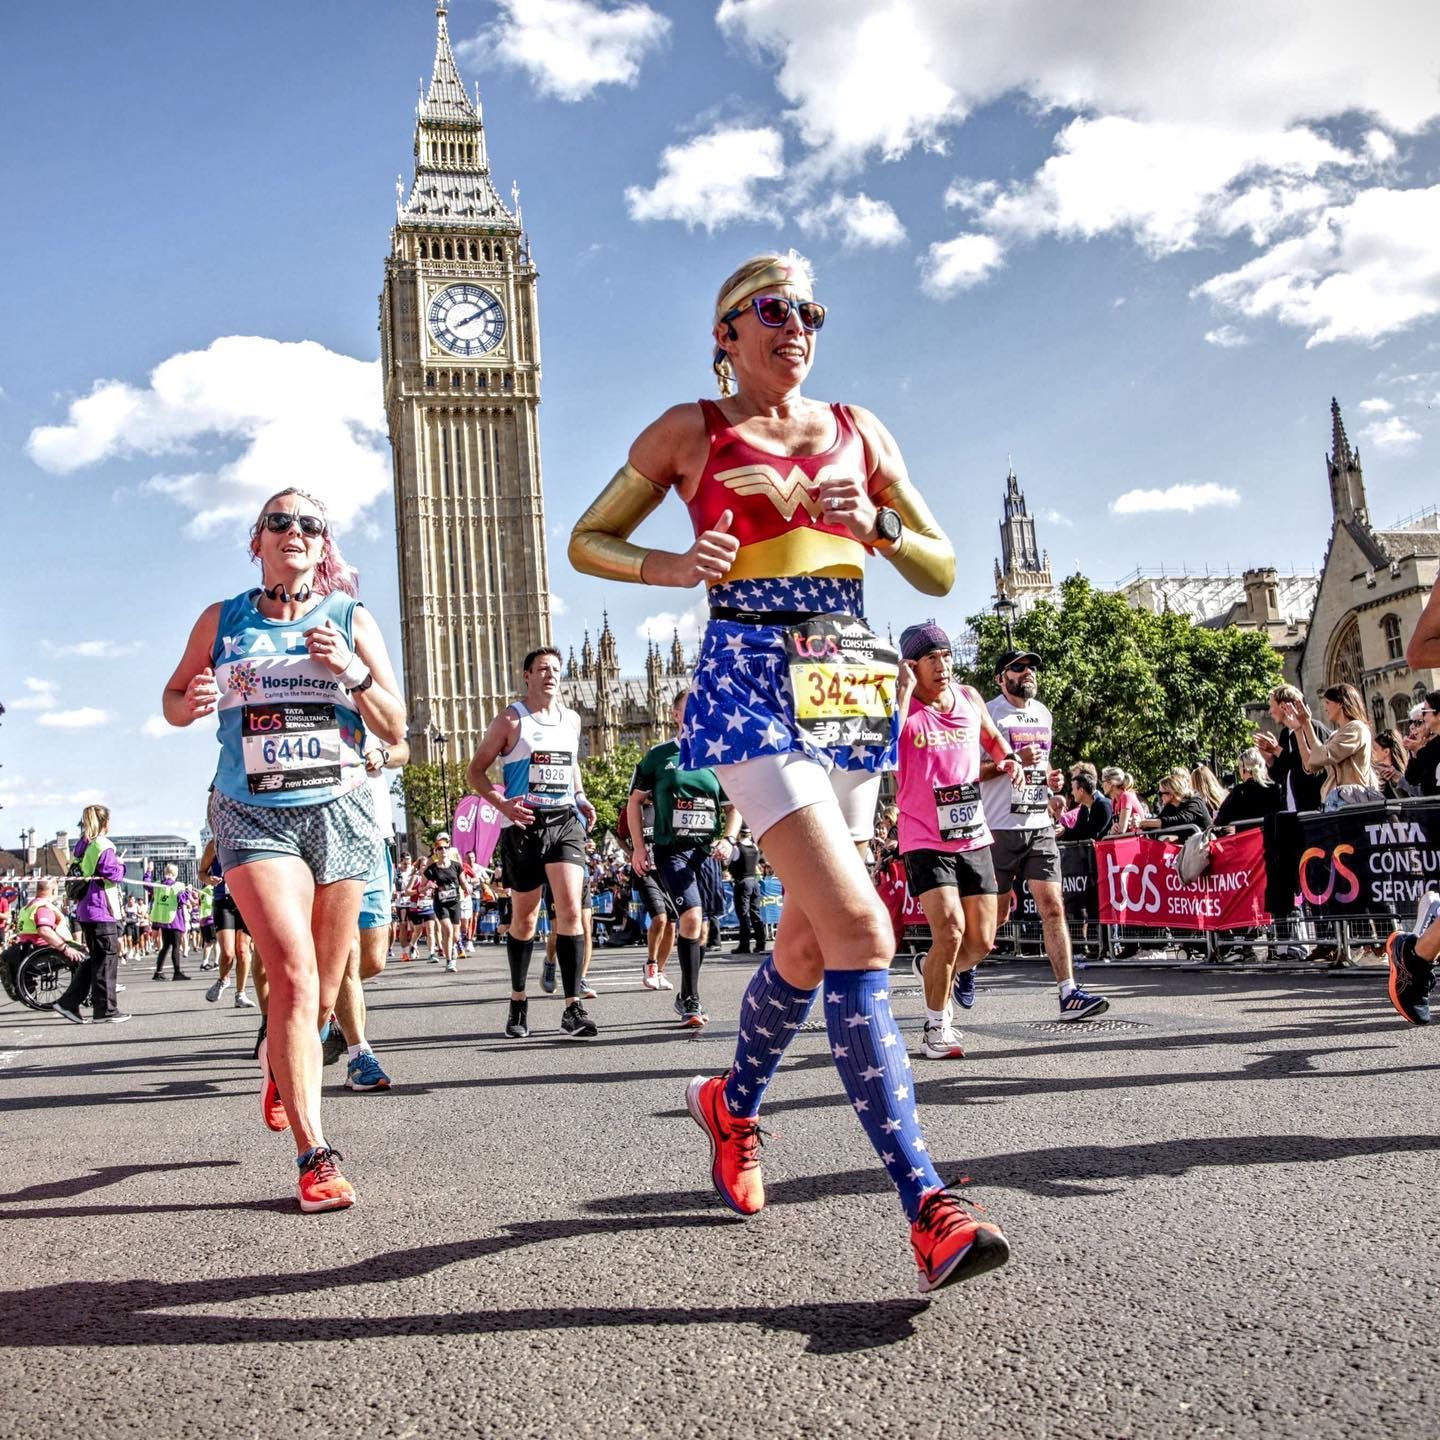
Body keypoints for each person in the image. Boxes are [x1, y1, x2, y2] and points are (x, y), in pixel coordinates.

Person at [569, 249, 1008, 1293]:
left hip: (851, 674)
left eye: (809, 308)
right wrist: (670, 566)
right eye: (771, 310)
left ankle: (731, 1104)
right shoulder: (693, 430)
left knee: (812, 938)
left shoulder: (862, 428)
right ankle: (927, 1202)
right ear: (726, 333)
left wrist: (882, 528)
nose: (796, 324)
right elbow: (590, 538)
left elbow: (943, 564)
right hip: (748, 676)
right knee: (863, 928)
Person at [163, 486, 405, 1213]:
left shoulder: (349, 618)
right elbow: (173, 700)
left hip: (338, 812)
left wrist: (355, 675)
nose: (294, 530)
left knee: (324, 996)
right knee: (294, 980)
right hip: (251, 814)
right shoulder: (222, 618)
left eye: (309, 524)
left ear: (322, 546)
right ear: (257, 540)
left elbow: (396, 727)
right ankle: (316, 1154)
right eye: (279, 521)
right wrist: (194, 699)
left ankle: (282, 1065)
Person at [894, 622, 1020, 1059]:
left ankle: (931, 969)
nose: (943, 665)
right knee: (948, 930)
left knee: (982, 941)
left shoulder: (968, 697)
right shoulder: (904, 707)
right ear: (912, 665)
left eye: (946, 656)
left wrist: (1008, 761)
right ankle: (936, 1028)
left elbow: (992, 738)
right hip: (923, 835)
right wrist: (901, 694)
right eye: (931, 658)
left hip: (971, 834)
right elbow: (879, 750)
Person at [465, 647, 599, 1040]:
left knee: (571, 910)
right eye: (542, 669)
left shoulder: (571, 719)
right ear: (527, 675)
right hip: (523, 823)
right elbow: (476, 772)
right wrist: (501, 802)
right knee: (524, 920)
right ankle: (518, 999)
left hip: (564, 822)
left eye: (556, 669)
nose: (550, 675)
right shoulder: (510, 719)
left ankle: (573, 1007)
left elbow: (571, 765)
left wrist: (580, 796)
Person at [979, 650, 1110, 1021]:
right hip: (999, 826)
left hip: (1037, 824)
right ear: (1001, 678)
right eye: (1018, 668)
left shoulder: (1043, 714)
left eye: (1031, 667)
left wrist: (1051, 784)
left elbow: (1043, 764)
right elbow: (972, 770)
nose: (1027, 673)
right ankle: (955, 967)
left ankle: (1068, 992)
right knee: (997, 918)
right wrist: (1010, 760)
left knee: (1053, 907)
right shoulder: (987, 714)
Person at [629, 691, 741, 1028]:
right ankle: (691, 1000)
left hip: (705, 852)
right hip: (671, 849)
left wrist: (729, 838)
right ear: (675, 715)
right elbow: (634, 802)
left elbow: (733, 806)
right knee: (690, 917)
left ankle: (685, 992)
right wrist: (638, 847)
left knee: (702, 927)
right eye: (689, 710)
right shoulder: (658, 756)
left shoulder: (718, 756)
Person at [332, 737, 409, 1091]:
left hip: (376, 840)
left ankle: (326, 998)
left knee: (374, 960)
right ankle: (359, 1054)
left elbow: (402, 747)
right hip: (334, 837)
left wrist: (382, 754)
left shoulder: (367, 695)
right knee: (345, 952)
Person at [52, 805, 131, 1025]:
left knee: (96, 958)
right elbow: (111, 873)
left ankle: (69, 1002)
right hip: (101, 907)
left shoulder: (82, 845)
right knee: (107, 958)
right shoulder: (102, 844)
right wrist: (121, 866)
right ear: (106, 823)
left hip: (86, 907)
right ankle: (105, 1010)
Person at [1278, 683, 1378, 808]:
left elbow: (1324, 755)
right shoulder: (1335, 734)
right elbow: (1310, 764)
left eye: (1328, 703)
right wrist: (1299, 729)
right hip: (1335, 801)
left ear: (1341, 703)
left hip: (1352, 801)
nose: (1325, 708)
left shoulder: (1356, 728)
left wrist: (1307, 724)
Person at [1254, 685, 1327, 812]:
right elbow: (1282, 775)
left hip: (1313, 808)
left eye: (1272, 706)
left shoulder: (1312, 728)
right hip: (1292, 807)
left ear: (1283, 706)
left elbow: (1311, 768)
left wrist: (1277, 750)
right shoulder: (1285, 734)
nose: (1270, 711)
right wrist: (1269, 759)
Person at [1212, 748, 1285, 828]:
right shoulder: (1277, 788)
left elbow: (1220, 820)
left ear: (1244, 768)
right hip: (1271, 838)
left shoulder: (1239, 791)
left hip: (1247, 839)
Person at [424, 832, 463, 972]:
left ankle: (451, 948)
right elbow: (422, 887)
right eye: (440, 848)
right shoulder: (432, 868)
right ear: (436, 851)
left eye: (446, 847)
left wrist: (468, 887)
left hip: (455, 902)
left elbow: (463, 881)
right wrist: (428, 886)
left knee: (456, 935)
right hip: (440, 903)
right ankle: (449, 962)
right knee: (448, 929)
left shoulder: (456, 865)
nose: (443, 850)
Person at [148, 864, 193, 982]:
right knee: (176, 947)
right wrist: (188, 891)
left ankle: (158, 972)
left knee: (165, 947)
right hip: (175, 919)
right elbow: (182, 899)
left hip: (163, 919)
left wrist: (148, 872)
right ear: (175, 874)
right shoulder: (178, 886)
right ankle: (177, 972)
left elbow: (147, 885)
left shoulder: (159, 884)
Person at [728, 824, 766, 956]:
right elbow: (757, 862)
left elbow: (728, 863)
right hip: (754, 881)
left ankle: (744, 945)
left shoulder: (737, 848)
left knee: (743, 915)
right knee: (756, 913)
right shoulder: (755, 847)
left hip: (742, 882)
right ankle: (761, 944)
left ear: (739, 833)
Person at [1140, 768, 1213, 835]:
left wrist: (1147, 823)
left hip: (1207, 845)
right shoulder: (1170, 806)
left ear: (1171, 794)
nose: (1160, 797)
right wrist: (1141, 823)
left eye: (1161, 793)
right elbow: (1159, 821)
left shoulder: (1195, 801)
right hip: (1190, 846)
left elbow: (1183, 819)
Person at [1067, 773, 1112, 842]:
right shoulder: (1084, 807)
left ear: (1081, 790)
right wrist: (1063, 832)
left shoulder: (1103, 805)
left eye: (1073, 789)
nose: (1072, 793)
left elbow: (1092, 834)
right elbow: (1078, 831)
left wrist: (1065, 832)